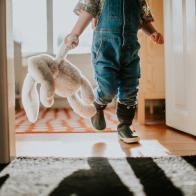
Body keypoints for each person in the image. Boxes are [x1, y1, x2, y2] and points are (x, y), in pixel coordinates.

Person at [64, 0, 164, 143]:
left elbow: (143, 17)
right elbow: (88, 10)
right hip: (105, 48)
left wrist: (153, 32)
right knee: (108, 88)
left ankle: (125, 127)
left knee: (130, 88)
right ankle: (98, 104)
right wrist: (75, 33)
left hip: (130, 49)